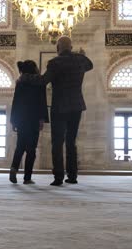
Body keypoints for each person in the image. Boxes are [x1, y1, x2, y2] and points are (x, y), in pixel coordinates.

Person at [21, 36, 93, 186]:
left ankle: (58, 177)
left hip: (60, 107)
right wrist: (82, 55)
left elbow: (42, 81)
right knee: (71, 142)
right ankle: (72, 176)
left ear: (57, 48)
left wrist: (25, 77)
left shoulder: (55, 63)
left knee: (57, 142)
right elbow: (89, 65)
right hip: (76, 106)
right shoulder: (80, 60)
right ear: (71, 47)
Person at [9, 60, 49, 184]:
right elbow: (42, 102)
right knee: (31, 149)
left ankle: (14, 168)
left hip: (21, 119)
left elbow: (15, 103)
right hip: (34, 120)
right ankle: (27, 178)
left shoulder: (20, 82)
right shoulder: (39, 82)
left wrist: (14, 121)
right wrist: (42, 119)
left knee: (20, 146)